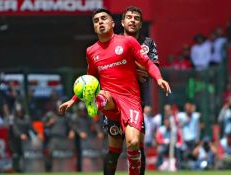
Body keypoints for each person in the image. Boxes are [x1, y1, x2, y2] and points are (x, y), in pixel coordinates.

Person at [59, 8, 171, 175]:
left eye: (104, 18)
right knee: (103, 96)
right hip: (109, 98)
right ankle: (96, 103)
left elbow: (148, 63)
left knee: (133, 143)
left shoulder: (127, 42)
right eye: (96, 21)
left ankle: (97, 103)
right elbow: (89, 80)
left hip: (131, 99)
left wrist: (159, 78)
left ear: (112, 23)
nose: (100, 22)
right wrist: (73, 100)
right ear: (94, 27)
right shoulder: (91, 51)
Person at [102, 6, 160, 175]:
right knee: (114, 151)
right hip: (114, 103)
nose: (132, 20)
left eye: (136, 18)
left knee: (138, 148)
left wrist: (122, 65)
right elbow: (106, 69)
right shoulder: (112, 42)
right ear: (122, 22)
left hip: (136, 102)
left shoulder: (148, 44)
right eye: (129, 17)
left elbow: (150, 69)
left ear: (141, 24)